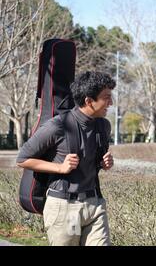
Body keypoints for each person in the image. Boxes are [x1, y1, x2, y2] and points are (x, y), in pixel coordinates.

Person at [17, 71, 115, 246]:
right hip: (67, 207)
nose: (111, 102)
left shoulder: (104, 126)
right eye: (106, 98)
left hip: (95, 204)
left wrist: (103, 163)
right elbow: (23, 159)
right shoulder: (58, 125)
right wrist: (60, 168)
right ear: (89, 101)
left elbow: (93, 160)